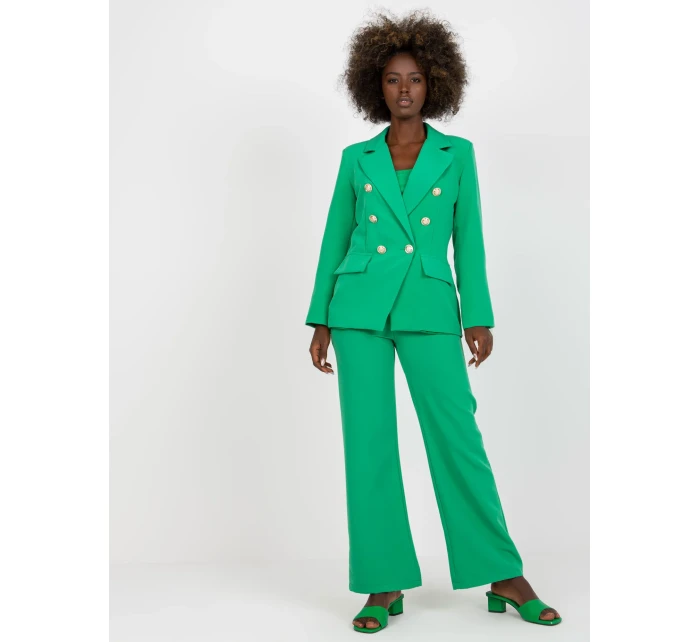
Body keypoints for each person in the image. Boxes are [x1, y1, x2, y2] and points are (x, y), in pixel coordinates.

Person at [305, 9, 561, 633]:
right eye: (393, 79)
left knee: (457, 437)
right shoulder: (357, 158)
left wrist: (478, 316)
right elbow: (335, 236)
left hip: (428, 306)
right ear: (375, 85)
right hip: (358, 309)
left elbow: (468, 240)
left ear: (434, 84)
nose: (404, 89)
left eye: (415, 79)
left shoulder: (456, 154)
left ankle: (502, 572)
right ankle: (383, 582)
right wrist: (320, 320)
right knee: (368, 446)